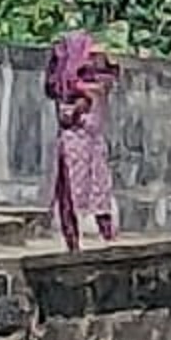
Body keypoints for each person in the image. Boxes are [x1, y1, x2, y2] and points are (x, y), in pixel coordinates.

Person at [44, 31, 121, 252]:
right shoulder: (80, 86)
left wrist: (80, 97)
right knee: (90, 192)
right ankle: (90, 240)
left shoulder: (84, 87)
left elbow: (68, 114)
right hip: (84, 144)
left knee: (83, 193)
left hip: (81, 144)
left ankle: (86, 240)